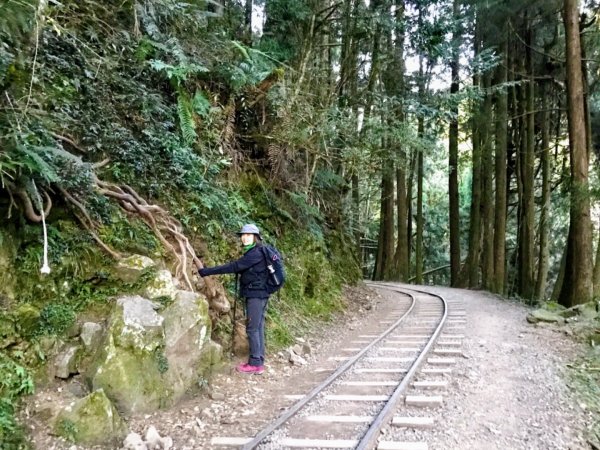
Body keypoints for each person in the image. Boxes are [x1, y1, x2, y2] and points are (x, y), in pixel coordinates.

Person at [197, 224, 269, 375]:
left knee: (252, 328)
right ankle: (259, 360)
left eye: (248, 235)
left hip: (256, 295)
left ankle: (255, 363)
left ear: (256, 237)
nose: (244, 237)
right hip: (260, 294)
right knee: (259, 326)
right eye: (243, 235)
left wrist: (207, 271)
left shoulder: (255, 254)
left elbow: (233, 267)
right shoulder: (256, 253)